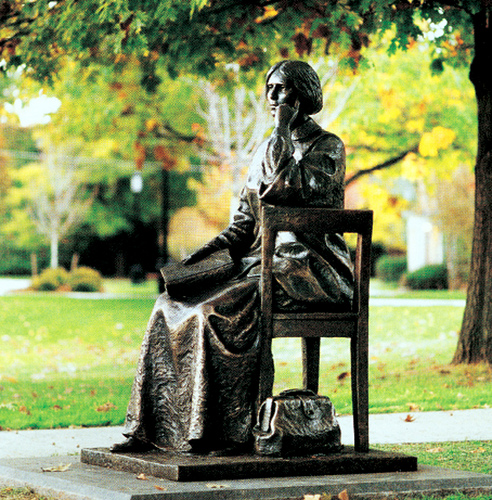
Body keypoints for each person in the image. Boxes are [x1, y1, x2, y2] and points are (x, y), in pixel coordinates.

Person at [111, 60, 354, 455]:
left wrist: (280, 133)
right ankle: (155, 430)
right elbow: (244, 223)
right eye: (270, 89)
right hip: (257, 263)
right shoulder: (263, 150)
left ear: (305, 95)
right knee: (169, 305)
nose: (274, 97)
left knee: (214, 313)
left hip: (307, 268)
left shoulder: (328, 147)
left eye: (283, 89)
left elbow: (287, 190)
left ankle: (228, 433)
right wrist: (201, 257)